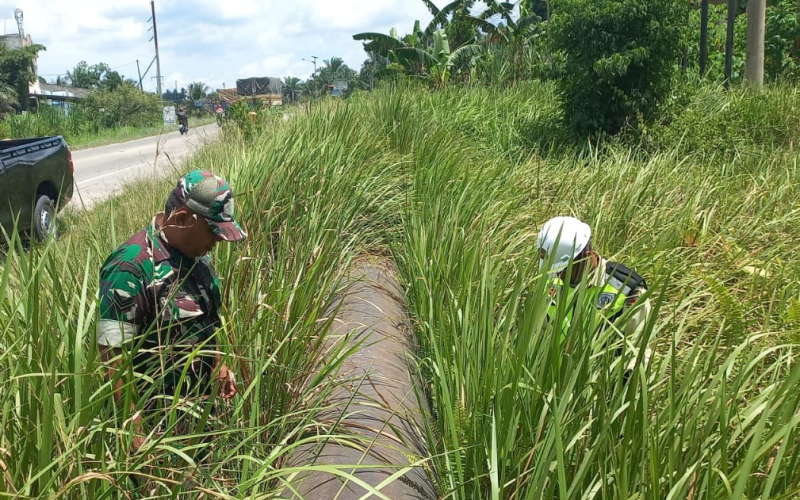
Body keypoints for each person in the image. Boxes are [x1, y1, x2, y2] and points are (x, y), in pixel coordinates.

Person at [97, 169, 246, 455]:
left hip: (199, 413)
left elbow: (206, 321)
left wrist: (217, 365)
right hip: (158, 427)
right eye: (213, 232)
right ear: (183, 218)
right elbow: (113, 358)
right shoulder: (131, 268)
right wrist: (136, 435)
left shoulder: (198, 257)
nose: (216, 243)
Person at [536, 216, 652, 368]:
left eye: (564, 269)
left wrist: (627, 377)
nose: (559, 276)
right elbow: (540, 334)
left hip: (605, 377)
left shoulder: (627, 290)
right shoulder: (551, 283)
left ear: (586, 257)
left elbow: (640, 349)